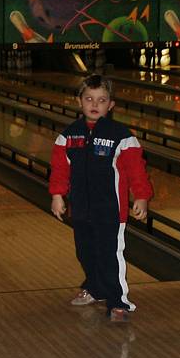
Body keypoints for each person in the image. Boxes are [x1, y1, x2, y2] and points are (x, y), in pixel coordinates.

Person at [49, 74, 153, 323]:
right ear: (79, 101)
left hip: (110, 211)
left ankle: (118, 302)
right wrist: (57, 195)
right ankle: (95, 288)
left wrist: (141, 196)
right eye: (89, 99)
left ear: (111, 105)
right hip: (81, 209)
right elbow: (60, 168)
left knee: (109, 255)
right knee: (85, 253)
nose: (95, 104)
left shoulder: (121, 135)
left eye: (101, 100)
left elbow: (136, 170)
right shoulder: (68, 135)